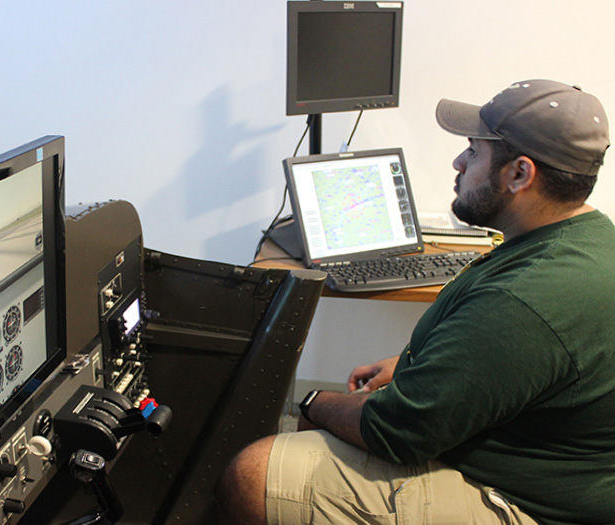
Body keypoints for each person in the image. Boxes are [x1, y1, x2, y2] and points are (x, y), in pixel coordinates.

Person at [216, 79, 615, 525]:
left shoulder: (526, 298)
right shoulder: (589, 240)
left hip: (527, 505)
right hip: (556, 466)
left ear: (520, 174)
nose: (458, 162)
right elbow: (507, 363)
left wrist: (313, 402)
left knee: (254, 470)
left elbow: (398, 430)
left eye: (474, 151)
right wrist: (412, 365)